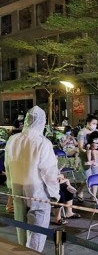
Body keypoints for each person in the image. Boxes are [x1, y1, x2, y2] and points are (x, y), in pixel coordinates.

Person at [5, 106, 60, 252]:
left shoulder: (12, 140)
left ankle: (23, 251)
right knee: (37, 230)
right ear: (43, 122)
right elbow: (49, 173)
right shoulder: (43, 143)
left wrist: (10, 186)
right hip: (37, 191)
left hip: (17, 188)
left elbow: (7, 166)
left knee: (22, 228)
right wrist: (55, 193)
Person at [76, 115, 98, 202]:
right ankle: (79, 191)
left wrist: (97, 146)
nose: (95, 125)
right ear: (88, 123)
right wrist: (88, 151)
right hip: (85, 157)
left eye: (96, 124)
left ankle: (93, 196)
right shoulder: (81, 133)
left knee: (95, 177)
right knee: (88, 178)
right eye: (93, 123)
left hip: (95, 157)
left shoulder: (96, 131)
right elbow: (80, 147)